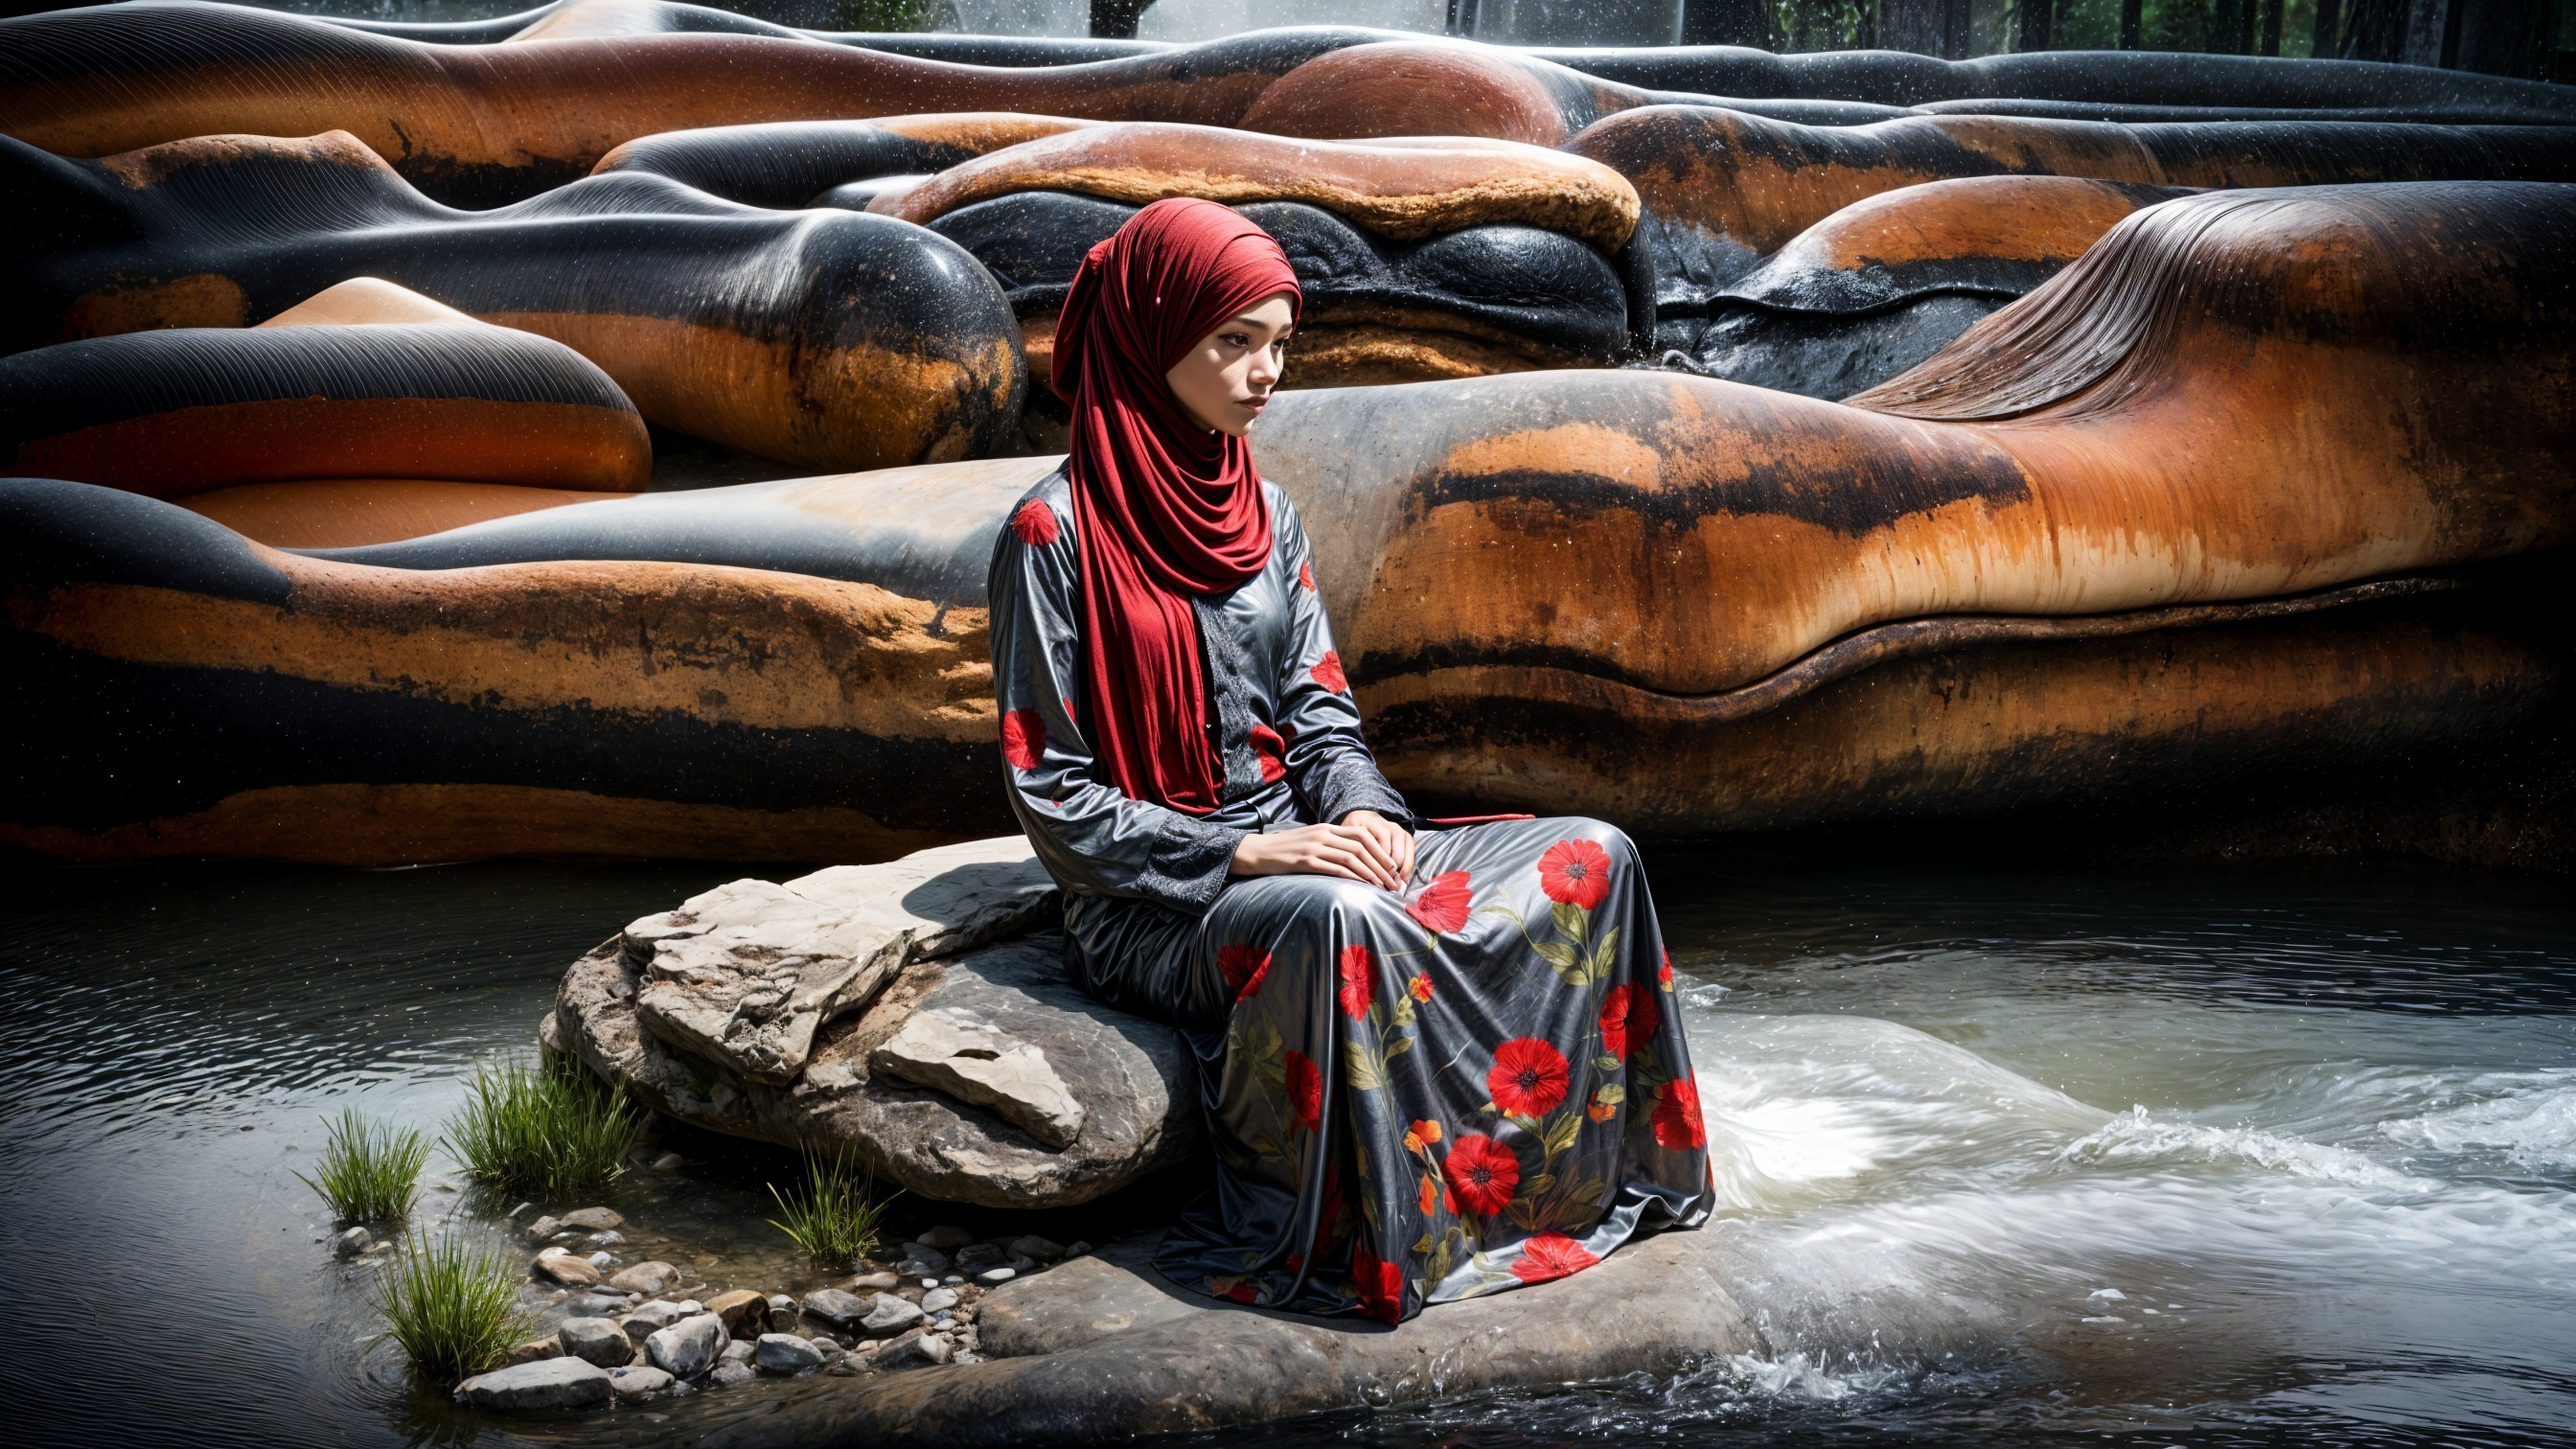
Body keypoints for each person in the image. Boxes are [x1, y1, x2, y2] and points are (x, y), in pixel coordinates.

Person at [986, 197, 1711, 1323]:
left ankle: (1564, 1189)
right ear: (1148, 334)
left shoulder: (1265, 514)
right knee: (1343, 919)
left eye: (1280, 342)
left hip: (1308, 853)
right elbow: (1053, 797)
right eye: (1235, 341)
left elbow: (1321, 714)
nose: (1266, 372)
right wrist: (1253, 851)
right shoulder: (1054, 532)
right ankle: (1389, 1232)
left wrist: (1368, 814)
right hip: (1160, 909)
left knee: (1593, 855)